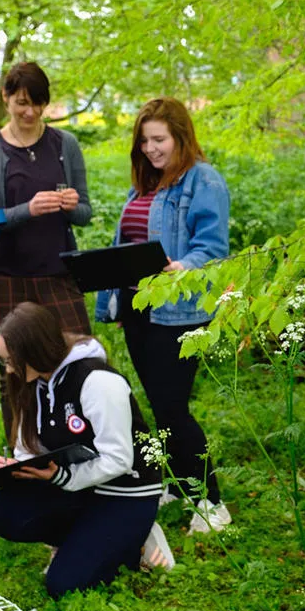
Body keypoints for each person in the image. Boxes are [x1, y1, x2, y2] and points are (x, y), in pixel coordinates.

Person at [94, 97, 232, 534]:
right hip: (140, 314)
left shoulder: (201, 180)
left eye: (159, 140)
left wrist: (183, 268)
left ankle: (211, 502)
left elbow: (212, 248)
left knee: (173, 409)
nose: (151, 149)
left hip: (178, 313)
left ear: (180, 137)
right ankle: (177, 483)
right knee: (157, 404)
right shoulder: (145, 185)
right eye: (144, 141)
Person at [0, 302, 173, 598]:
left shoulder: (98, 382)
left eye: (9, 359)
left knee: (65, 585)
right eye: (1, 358)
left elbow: (119, 459)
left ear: (34, 351)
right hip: (77, 488)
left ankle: (135, 540)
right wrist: (19, 468)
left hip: (124, 493)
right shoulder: (34, 382)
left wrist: (61, 477)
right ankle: (86, 539)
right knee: (2, 512)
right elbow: (28, 447)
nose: (6, 367)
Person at [0, 61, 93, 441]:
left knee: (80, 358)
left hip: (57, 272)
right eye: (22, 102)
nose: (30, 112)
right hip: (5, 277)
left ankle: (79, 446)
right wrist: (29, 209)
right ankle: (24, 455)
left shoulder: (64, 145)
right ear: (6, 98)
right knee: (15, 371)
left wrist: (71, 205)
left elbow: (85, 214)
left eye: (38, 103)